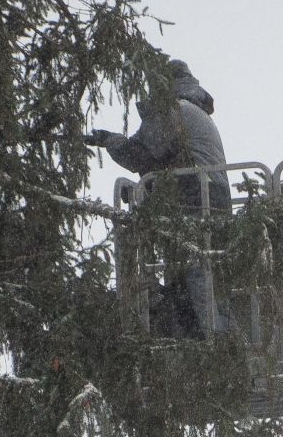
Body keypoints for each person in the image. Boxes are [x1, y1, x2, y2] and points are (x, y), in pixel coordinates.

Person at [86, 59, 230, 338]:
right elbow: (165, 163)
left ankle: (219, 346)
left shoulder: (173, 110)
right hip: (210, 197)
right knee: (197, 279)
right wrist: (144, 189)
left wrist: (110, 140)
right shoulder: (194, 111)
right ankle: (203, 341)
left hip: (193, 198)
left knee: (198, 278)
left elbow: (141, 153)